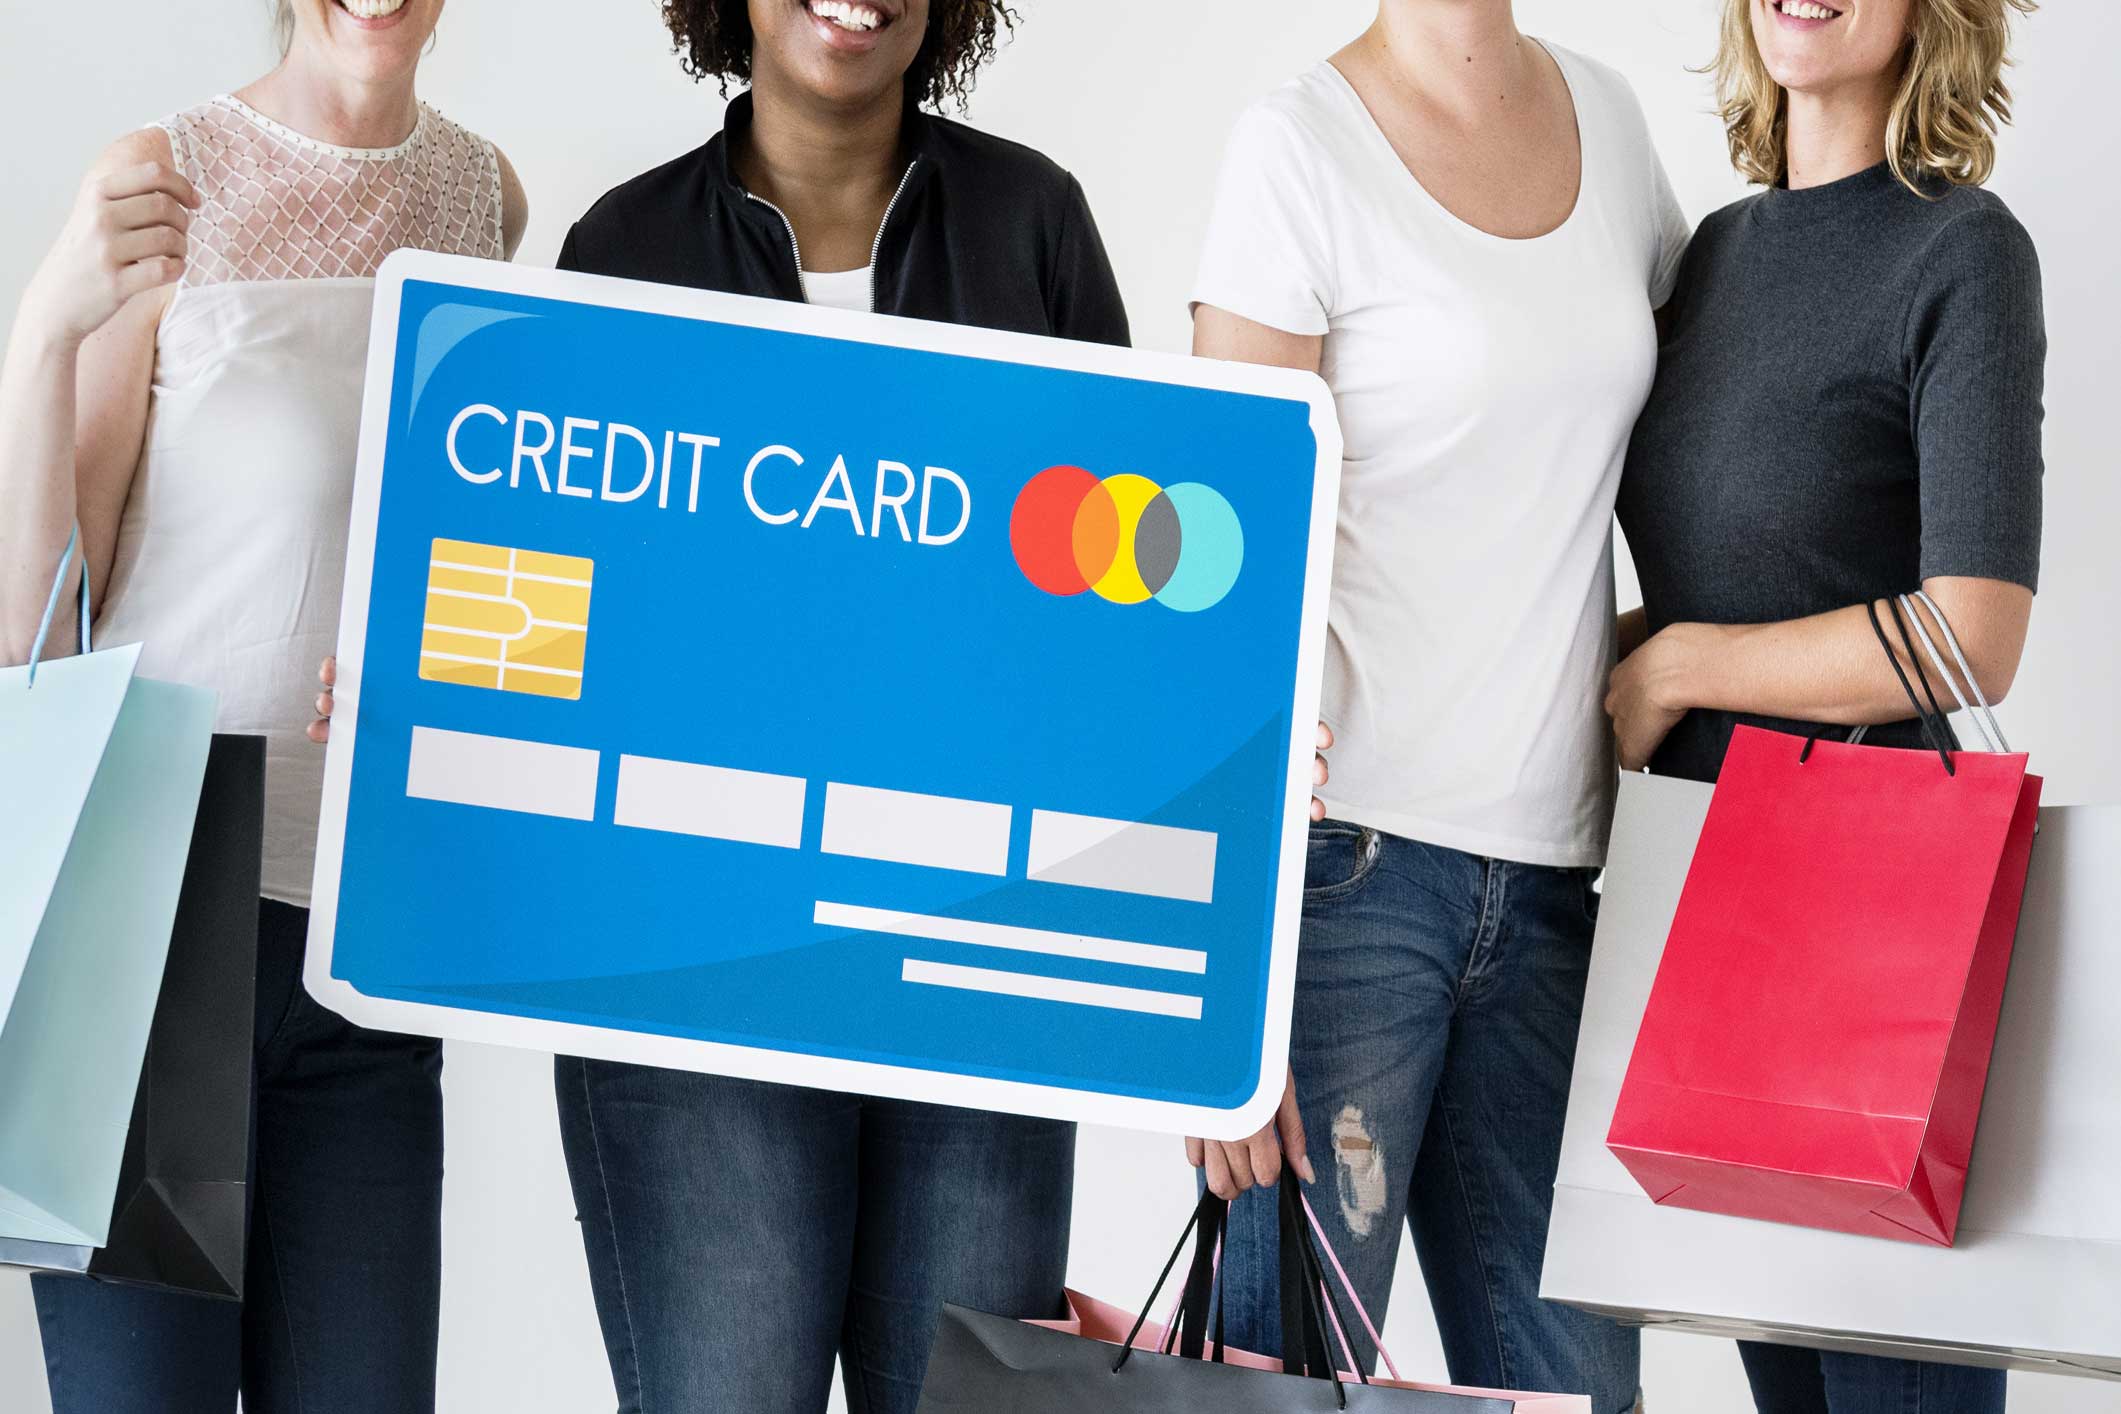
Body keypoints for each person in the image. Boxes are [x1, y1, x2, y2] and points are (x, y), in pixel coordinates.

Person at [540, 3, 1127, 1411]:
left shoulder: (1032, 221)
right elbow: (566, 599)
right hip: (698, 975)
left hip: (978, 965)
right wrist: (419, 677)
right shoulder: (621, 248)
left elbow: (1123, 586)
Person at [0, 1, 526, 1408]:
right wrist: (44, 329)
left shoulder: (488, 199)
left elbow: (476, 566)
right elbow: (40, 621)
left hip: (364, 935)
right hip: (151, 929)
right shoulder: (167, 178)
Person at [1181, 1, 1690, 1408]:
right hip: (1343, 885)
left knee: (1585, 1392)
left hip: (1555, 896)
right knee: (1283, 1385)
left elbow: (1684, 459)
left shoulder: (1612, 126)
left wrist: (1682, 660)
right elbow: (1217, 582)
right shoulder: (1297, 144)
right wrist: (1212, 991)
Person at [1611, 0, 2042, 1409]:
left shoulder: (1959, 250)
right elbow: (1737, 562)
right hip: (1699, 911)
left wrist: (1672, 665)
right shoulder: (1713, 256)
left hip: (1863, 934)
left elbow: (1965, 636)